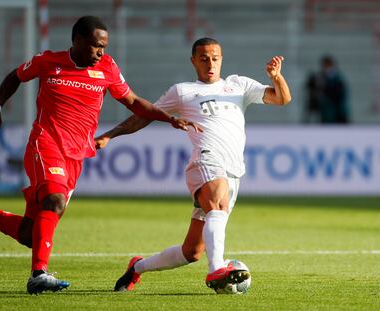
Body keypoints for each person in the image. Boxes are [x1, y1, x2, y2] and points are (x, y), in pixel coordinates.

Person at [0, 16, 200, 295]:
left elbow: (132, 101)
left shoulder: (107, 67)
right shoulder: (49, 61)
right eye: (97, 46)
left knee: (31, 234)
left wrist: (168, 118)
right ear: (77, 41)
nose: (102, 53)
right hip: (46, 144)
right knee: (55, 200)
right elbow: (15, 75)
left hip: (77, 155)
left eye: (105, 47)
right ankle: (39, 274)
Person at [94, 37, 291, 292]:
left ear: (222, 59)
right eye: (204, 58)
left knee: (192, 251)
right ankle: (217, 269)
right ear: (193, 61)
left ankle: (137, 267)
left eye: (215, 58)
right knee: (217, 204)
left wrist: (276, 76)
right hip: (206, 160)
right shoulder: (183, 91)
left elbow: (282, 99)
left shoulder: (238, 85)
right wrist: (111, 134)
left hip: (233, 169)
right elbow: (145, 115)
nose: (210, 64)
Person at [304, 55, 349, 123]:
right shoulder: (321, 77)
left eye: (326, 66)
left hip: (337, 114)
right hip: (326, 114)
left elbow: (338, 96)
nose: (325, 68)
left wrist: (323, 88)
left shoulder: (338, 79)